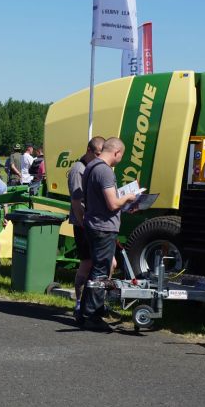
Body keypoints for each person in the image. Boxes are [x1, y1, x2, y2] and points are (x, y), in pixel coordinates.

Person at [79, 137, 139, 330]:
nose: (120, 159)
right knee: (101, 272)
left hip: (93, 223)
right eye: (121, 156)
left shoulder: (90, 167)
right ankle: (92, 316)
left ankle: (84, 312)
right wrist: (129, 197)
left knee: (96, 269)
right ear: (117, 153)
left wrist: (123, 205)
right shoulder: (105, 171)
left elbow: (104, 201)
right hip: (104, 227)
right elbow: (112, 203)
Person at [67, 136, 105, 317]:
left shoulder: (93, 167)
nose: (99, 157)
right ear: (89, 150)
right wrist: (83, 223)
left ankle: (96, 301)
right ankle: (79, 302)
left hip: (94, 223)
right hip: (83, 224)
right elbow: (76, 201)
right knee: (87, 263)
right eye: (97, 154)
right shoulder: (78, 170)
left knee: (106, 263)